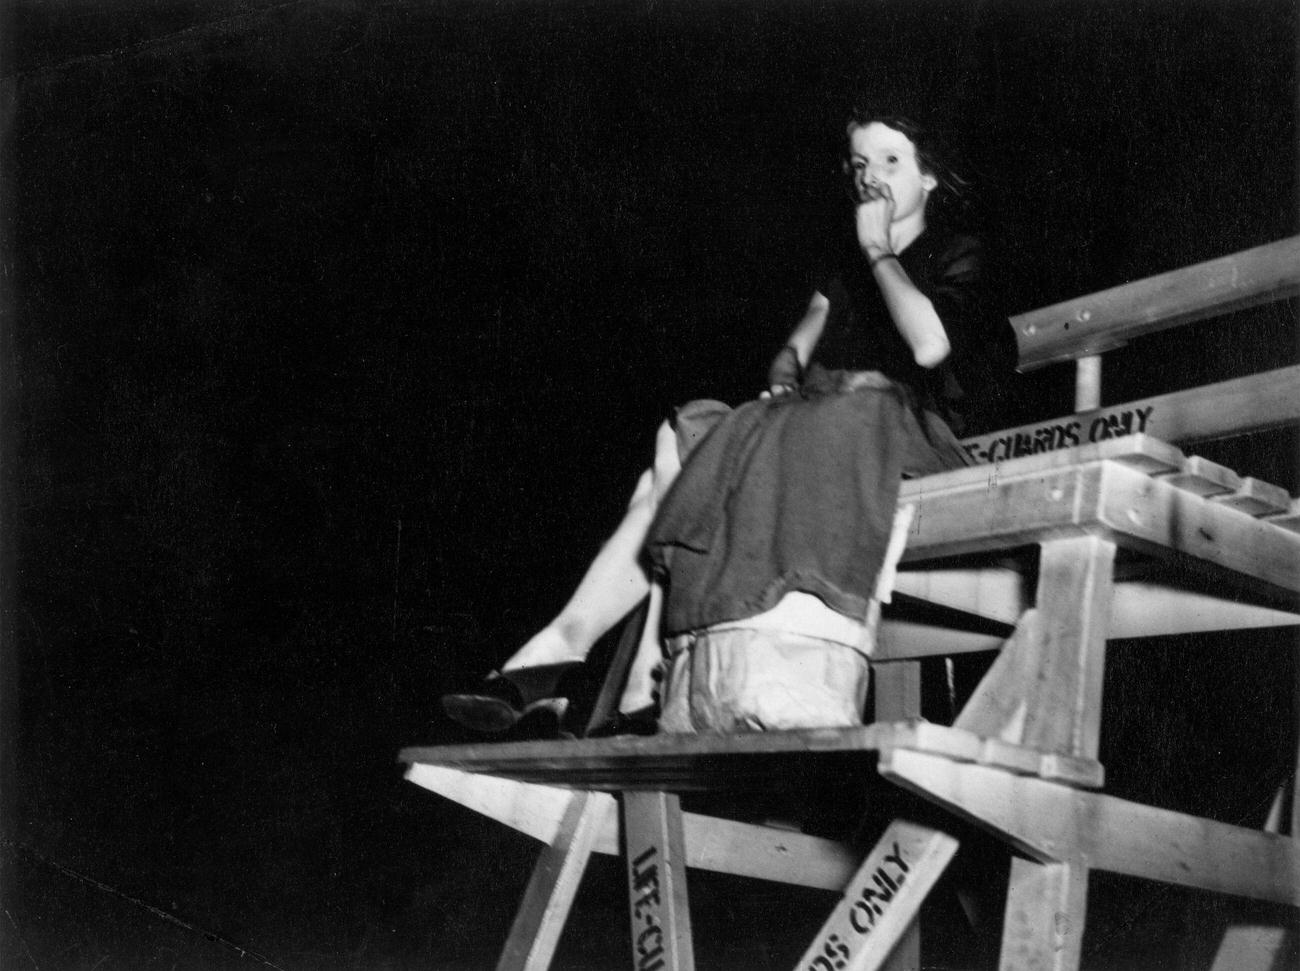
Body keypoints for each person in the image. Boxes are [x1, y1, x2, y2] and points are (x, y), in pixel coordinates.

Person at [442, 111, 1014, 736]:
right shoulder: (844, 266)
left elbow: (931, 346)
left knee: (723, 458)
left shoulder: (958, 253)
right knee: (681, 439)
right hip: (821, 430)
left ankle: (589, 672)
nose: (870, 178)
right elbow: (802, 338)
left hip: (900, 440)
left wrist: (878, 248)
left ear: (929, 177)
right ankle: (574, 656)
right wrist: (787, 363)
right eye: (859, 165)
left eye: (891, 161)